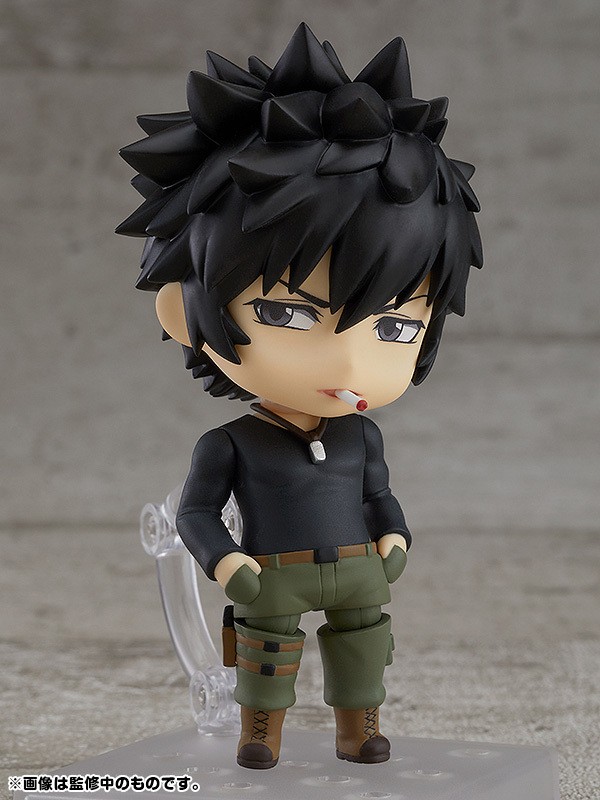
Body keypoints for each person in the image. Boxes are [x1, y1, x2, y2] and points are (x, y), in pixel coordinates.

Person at [117, 22, 482, 770]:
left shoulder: (361, 435)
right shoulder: (230, 443)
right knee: (266, 651)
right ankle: (260, 732)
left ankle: (360, 727)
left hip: (357, 568)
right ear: (184, 314)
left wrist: (395, 536)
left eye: (394, 325)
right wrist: (225, 564)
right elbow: (194, 513)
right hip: (271, 573)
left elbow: (378, 494)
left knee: (363, 645)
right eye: (287, 315)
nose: (347, 359)